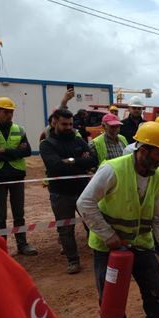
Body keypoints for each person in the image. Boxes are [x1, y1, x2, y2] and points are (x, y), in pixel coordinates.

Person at [77, 121, 159, 318]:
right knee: (111, 296)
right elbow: (85, 204)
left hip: (141, 244)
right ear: (143, 149)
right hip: (108, 249)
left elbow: (158, 218)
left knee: (154, 291)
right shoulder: (112, 170)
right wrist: (108, 235)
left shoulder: (157, 177)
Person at [40, 108, 97, 273]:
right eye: (64, 124)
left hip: (83, 191)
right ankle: (73, 261)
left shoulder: (78, 140)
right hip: (60, 193)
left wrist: (70, 161)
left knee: (92, 223)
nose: (68, 127)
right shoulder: (47, 144)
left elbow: (93, 160)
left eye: (70, 124)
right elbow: (55, 166)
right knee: (65, 229)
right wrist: (80, 161)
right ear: (54, 122)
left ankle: (98, 251)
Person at [0, 97, 37, 256]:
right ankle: (1, 249)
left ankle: (22, 244)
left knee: (19, 214)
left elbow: (26, 151)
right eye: (5, 111)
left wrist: (3, 151)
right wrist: (15, 153)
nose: (9, 114)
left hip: (16, 176)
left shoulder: (19, 130)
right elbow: (20, 152)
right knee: (0, 216)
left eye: (11, 111)